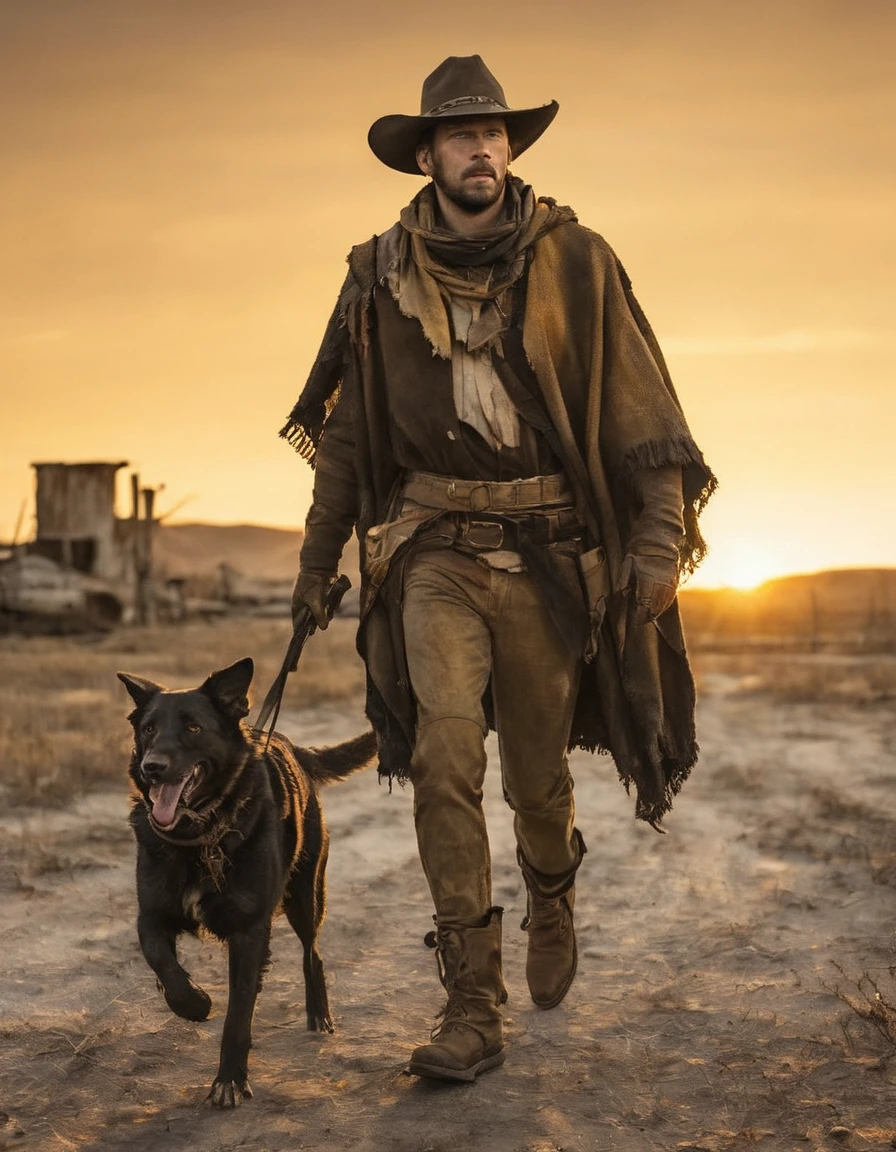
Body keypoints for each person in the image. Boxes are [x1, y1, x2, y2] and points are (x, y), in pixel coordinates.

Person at [282, 55, 715, 1083]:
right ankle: (471, 1005)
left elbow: (640, 412)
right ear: (425, 154)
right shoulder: (377, 274)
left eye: (495, 135)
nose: (481, 150)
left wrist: (654, 547)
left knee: (533, 776)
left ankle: (551, 889)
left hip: (548, 553)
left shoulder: (573, 260)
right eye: (460, 136)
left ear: (507, 150)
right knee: (440, 753)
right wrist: (314, 563)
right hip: (430, 549)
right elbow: (346, 440)